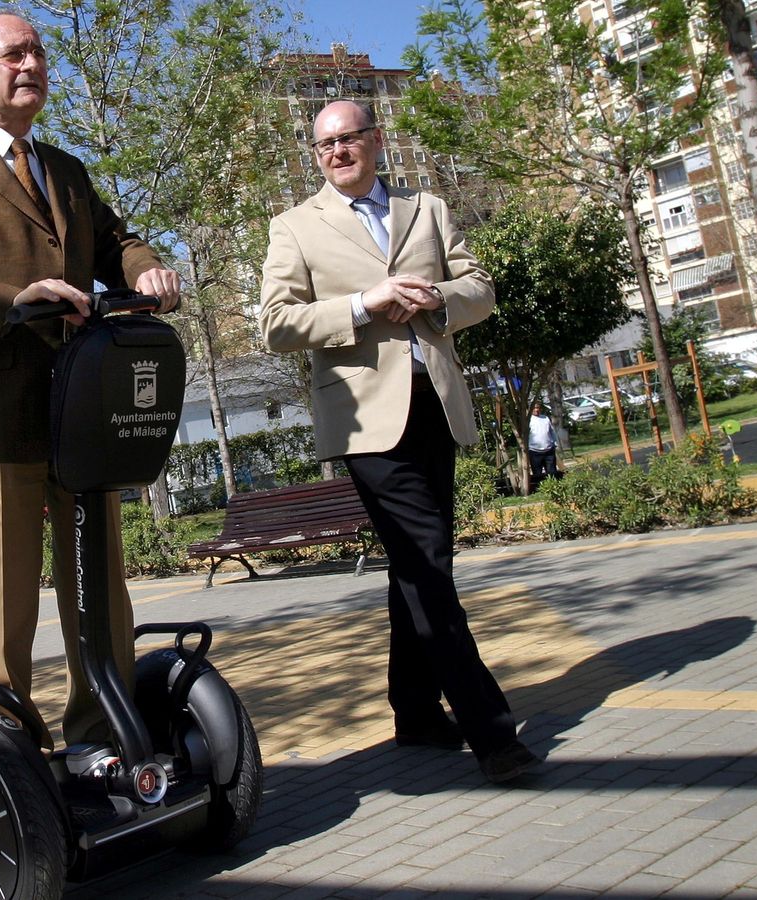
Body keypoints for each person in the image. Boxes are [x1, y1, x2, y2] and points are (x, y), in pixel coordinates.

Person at [0, 10, 182, 747]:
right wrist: (12, 301)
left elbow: (119, 241)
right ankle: (7, 759)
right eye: (12, 53)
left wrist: (147, 268)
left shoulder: (66, 168)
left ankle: (106, 737)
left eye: (38, 52)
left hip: (80, 411)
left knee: (102, 599)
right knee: (2, 612)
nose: (31, 63)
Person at [258, 99, 538, 783]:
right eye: (323, 145)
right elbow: (275, 322)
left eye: (348, 139)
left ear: (376, 141)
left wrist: (439, 299)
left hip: (434, 404)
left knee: (417, 564)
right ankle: (491, 733)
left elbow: (481, 288)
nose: (336, 153)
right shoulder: (295, 226)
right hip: (363, 420)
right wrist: (365, 305)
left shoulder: (429, 210)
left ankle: (414, 711)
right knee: (427, 564)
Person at [527, 402, 560, 486]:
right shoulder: (528, 420)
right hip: (535, 451)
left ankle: (553, 486)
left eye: (538, 408)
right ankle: (540, 488)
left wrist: (555, 443)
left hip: (549, 450)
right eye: (534, 408)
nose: (536, 410)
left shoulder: (545, 418)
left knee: (552, 472)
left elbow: (552, 432)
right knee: (538, 474)